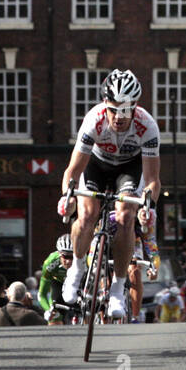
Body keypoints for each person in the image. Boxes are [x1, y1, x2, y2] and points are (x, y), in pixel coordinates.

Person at [57, 70, 161, 320]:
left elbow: (152, 180)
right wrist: (67, 196)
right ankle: (78, 268)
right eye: (113, 109)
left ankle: (117, 287)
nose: (118, 116)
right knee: (87, 214)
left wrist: (149, 206)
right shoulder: (94, 119)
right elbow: (73, 169)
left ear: (134, 107)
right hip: (97, 165)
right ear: (106, 105)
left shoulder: (147, 127)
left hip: (129, 169)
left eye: (124, 110)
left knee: (126, 218)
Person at [37, 236, 74, 323]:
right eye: (65, 256)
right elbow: (42, 294)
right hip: (58, 284)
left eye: (71, 257)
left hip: (78, 284)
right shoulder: (51, 262)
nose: (68, 261)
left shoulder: (83, 259)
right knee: (54, 317)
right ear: (59, 254)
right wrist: (48, 310)